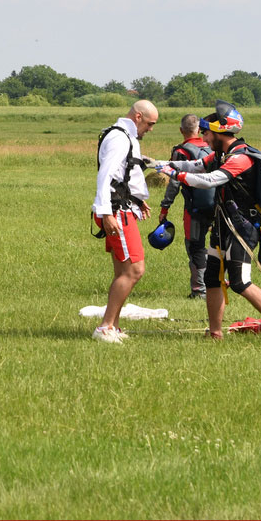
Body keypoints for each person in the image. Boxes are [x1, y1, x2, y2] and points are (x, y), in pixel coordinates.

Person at [151, 107, 261, 344]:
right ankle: (215, 332)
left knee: (239, 282)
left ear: (220, 131)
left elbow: (209, 180)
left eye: (207, 134)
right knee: (212, 278)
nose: (204, 138)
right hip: (223, 224)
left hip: (244, 227)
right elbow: (196, 166)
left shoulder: (240, 158)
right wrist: (155, 163)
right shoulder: (219, 155)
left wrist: (174, 175)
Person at [91, 99, 158, 342]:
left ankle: (114, 326)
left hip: (123, 208)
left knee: (122, 271)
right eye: (150, 123)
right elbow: (106, 175)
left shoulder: (126, 137)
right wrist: (106, 212)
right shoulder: (119, 138)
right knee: (134, 270)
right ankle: (105, 327)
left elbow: (126, 173)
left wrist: (139, 200)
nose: (151, 129)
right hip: (116, 212)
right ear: (138, 117)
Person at [158, 114, 215, 299]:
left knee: (195, 247)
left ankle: (199, 291)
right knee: (215, 246)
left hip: (194, 207)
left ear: (181, 130)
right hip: (217, 206)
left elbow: (174, 182)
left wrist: (165, 207)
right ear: (199, 130)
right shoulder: (212, 148)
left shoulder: (181, 151)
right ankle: (216, 285)